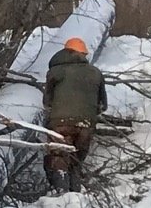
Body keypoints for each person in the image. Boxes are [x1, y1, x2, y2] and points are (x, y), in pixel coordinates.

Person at [41, 34, 106, 188]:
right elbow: (103, 105)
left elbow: (47, 102)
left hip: (59, 123)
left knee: (59, 159)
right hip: (86, 124)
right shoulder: (96, 73)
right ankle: (74, 195)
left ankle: (59, 194)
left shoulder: (55, 71)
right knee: (76, 162)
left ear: (65, 52)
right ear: (83, 55)